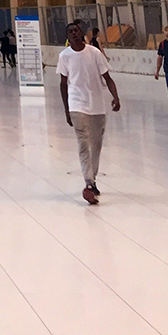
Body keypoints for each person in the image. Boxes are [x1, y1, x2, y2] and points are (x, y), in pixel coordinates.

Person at [58, 21, 121, 204]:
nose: (74, 34)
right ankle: (88, 181)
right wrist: (67, 109)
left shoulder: (94, 53)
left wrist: (116, 98)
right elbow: (63, 84)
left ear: (81, 33)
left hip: (97, 105)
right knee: (83, 143)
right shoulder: (65, 56)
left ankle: (92, 181)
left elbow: (107, 78)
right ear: (68, 37)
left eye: (76, 31)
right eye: (70, 32)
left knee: (96, 144)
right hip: (76, 104)